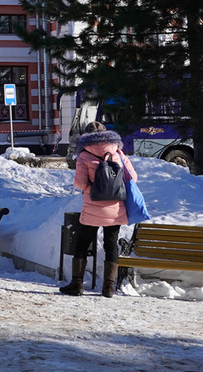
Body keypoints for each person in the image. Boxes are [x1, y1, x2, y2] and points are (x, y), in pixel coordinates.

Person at [59, 121, 137, 297]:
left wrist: (89, 188)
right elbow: (132, 177)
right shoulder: (118, 153)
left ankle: (77, 284)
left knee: (82, 244)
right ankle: (108, 287)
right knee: (111, 245)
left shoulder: (84, 155)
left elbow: (79, 183)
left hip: (93, 207)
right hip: (115, 208)